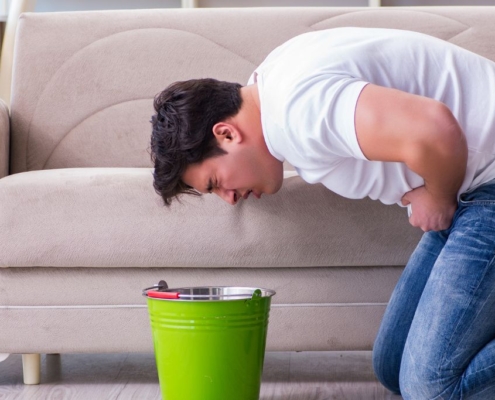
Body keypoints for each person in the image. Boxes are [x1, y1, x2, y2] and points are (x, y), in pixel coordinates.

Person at [150, 27, 495, 399]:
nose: (229, 199)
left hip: (484, 185)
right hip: (467, 187)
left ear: (227, 134)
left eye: (215, 182)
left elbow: (433, 128)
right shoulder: (268, 84)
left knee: (432, 389)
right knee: (392, 366)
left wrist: (438, 197)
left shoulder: (298, 110)